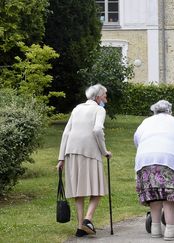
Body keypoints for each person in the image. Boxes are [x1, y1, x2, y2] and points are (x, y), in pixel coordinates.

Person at [134, 100, 174, 241]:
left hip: (146, 161)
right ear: (170, 110)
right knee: (169, 196)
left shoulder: (145, 122)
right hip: (169, 161)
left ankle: (155, 229)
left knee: (154, 195)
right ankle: (169, 232)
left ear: (154, 111)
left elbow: (137, 140)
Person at [56, 84, 112, 237]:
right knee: (98, 189)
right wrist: (104, 151)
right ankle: (88, 219)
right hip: (90, 152)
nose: (106, 99)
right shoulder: (99, 109)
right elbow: (97, 130)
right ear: (98, 97)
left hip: (71, 152)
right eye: (105, 96)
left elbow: (66, 132)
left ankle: (80, 227)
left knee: (78, 191)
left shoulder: (77, 108)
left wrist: (61, 158)